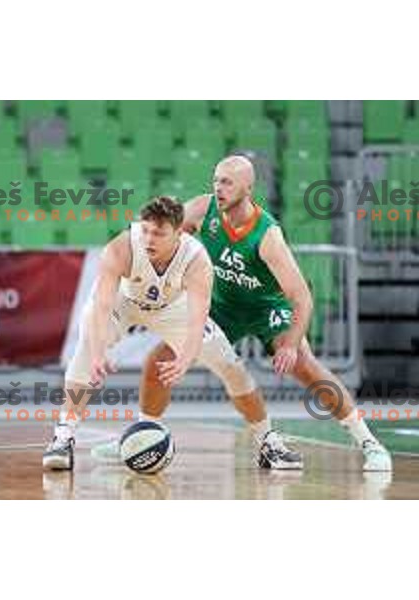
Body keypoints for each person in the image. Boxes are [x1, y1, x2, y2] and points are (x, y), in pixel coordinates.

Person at [121, 155, 391, 472]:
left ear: (248, 188)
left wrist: (290, 344)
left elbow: (302, 297)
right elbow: (162, 231)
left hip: (266, 308)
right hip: (221, 307)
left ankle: (368, 442)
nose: (218, 188)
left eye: (227, 182)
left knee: (306, 367)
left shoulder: (267, 236)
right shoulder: (202, 208)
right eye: (216, 180)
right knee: (158, 361)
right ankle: (144, 435)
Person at [43, 195, 299, 470]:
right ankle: (63, 437)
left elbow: (197, 319)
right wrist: (96, 354)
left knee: (231, 367)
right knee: (85, 351)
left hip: (172, 309)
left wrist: (185, 359)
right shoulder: (121, 248)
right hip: (123, 303)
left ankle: (269, 442)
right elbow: (101, 306)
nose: (149, 239)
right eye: (146, 231)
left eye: (159, 233)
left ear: (179, 233)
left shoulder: (196, 260)